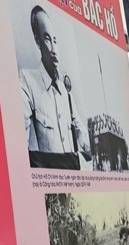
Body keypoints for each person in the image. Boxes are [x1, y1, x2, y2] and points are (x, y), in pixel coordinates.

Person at [20, 6, 91, 167]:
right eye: (46, 39)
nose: (53, 48)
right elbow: (20, 148)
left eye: (55, 40)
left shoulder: (65, 92)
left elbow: (83, 135)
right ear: (37, 41)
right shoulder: (27, 81)